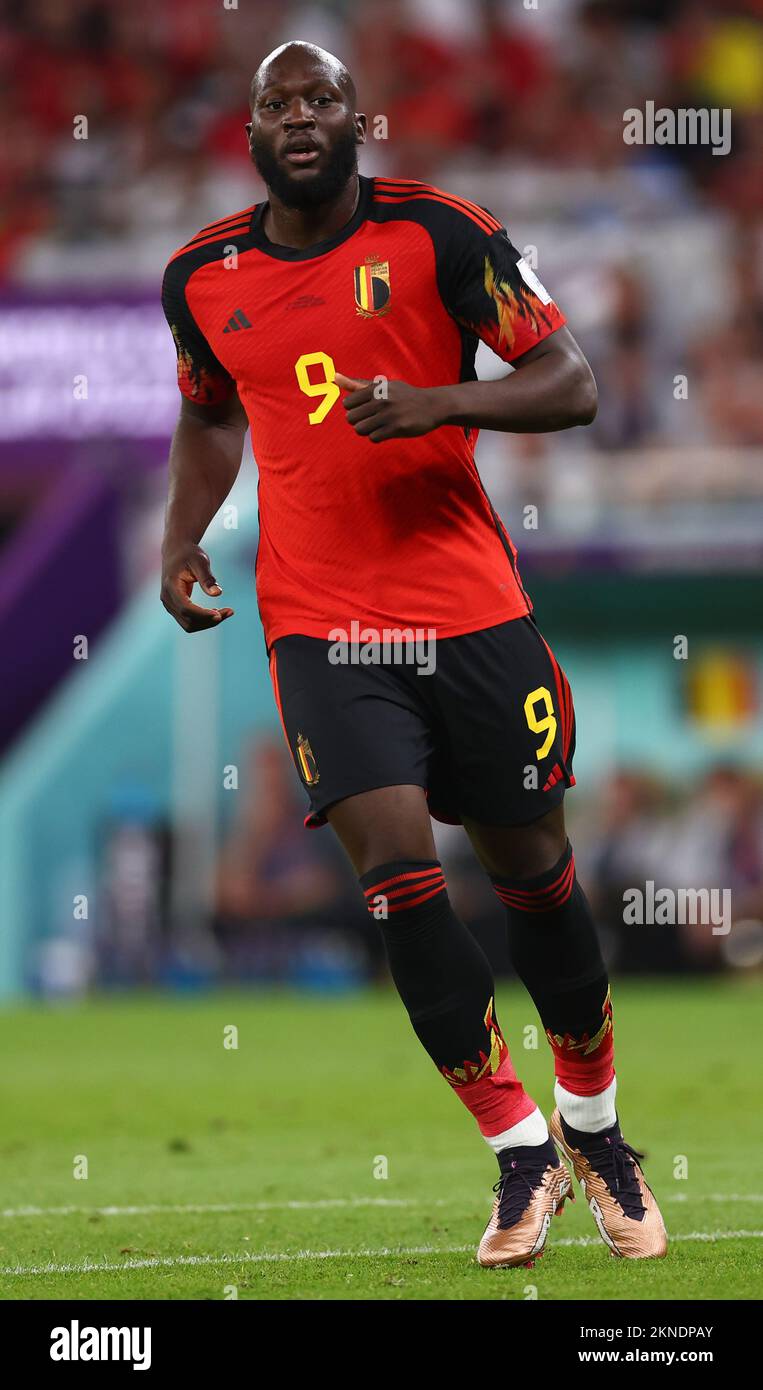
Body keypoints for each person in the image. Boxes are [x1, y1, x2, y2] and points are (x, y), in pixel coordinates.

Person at [160, 40, 666, 1268]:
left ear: (356, 119)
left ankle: (595, 1131)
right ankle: (517, 1149)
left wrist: (439, 400)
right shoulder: (200, 276)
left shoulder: (442, 235)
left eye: (320, 99)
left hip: (470, 608)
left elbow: (571, 382)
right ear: (249, 131)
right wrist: (181, 540)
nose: (298, 117)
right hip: (323, 622)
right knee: (392, 873)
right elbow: (212, 410)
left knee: (534, 869)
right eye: (276, 102)